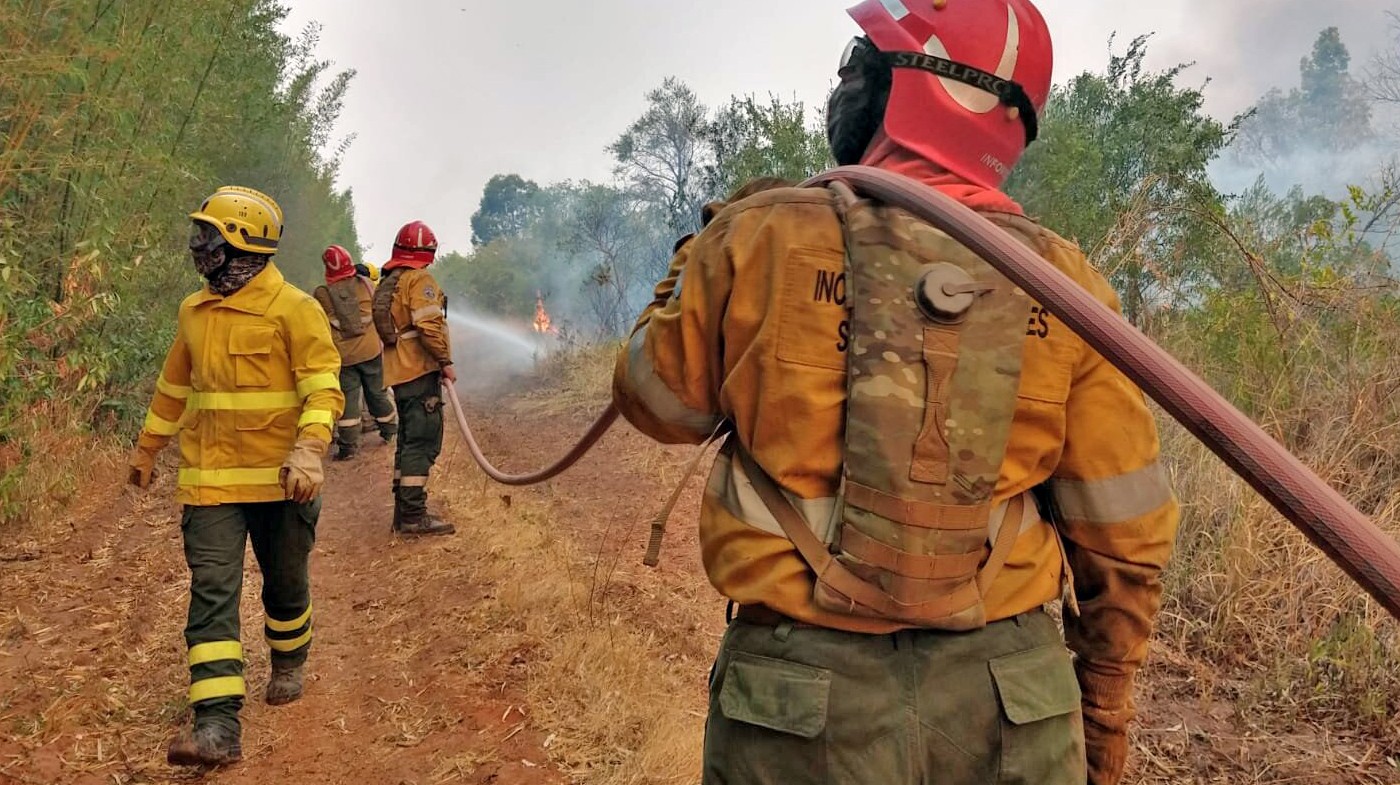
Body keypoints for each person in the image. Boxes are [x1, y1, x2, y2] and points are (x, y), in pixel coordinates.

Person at [610, 2, 1180, 784]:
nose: (848, 82)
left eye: (862, 64)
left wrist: (695, 251)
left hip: (797, 705)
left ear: (896, 89)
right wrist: (1104, 716)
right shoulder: (1067, 285)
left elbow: (655, 401)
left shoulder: (759, 234)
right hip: (1013, 704)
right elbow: (1124, 534)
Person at [127, 186, 344, 766]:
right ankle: (217, 725)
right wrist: (148, 449)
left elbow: (324, 387)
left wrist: (310, 449)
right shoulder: (192, 312)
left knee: (285, 584)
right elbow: (173, 389)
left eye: (209, 235)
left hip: (282, 483)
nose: (198, 245)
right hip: (211, 484)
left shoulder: (295, 309)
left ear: (241, 244)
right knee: (213, 594)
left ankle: (290, 659)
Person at [372, 220, 456, 536]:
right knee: (422, 442)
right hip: (419, 370)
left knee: (407, 441)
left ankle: (402, 512)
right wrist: (445, 361)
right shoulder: (419, 280)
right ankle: (412, 516)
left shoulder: (391, 280)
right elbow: (429, 326)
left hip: (399, 371)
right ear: (428, 252)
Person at [313, 245, 397, 460]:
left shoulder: (322, 293)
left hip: (344, 356)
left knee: (348, 399)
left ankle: (348, 447)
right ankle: (390, 432)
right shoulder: (366, 284)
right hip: (371, 350)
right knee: (377, 392)